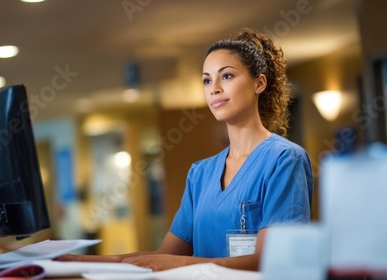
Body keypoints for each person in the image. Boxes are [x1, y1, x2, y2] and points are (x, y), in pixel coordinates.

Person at [58, 27, 313, 271]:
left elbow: (273, 260)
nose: (214, 88)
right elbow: (163, 257)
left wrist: (182, 264)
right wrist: (77, 261)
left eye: (226, 76)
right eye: (206, 80)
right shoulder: (200, 173)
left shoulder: (284, 159)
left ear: (259, 83)